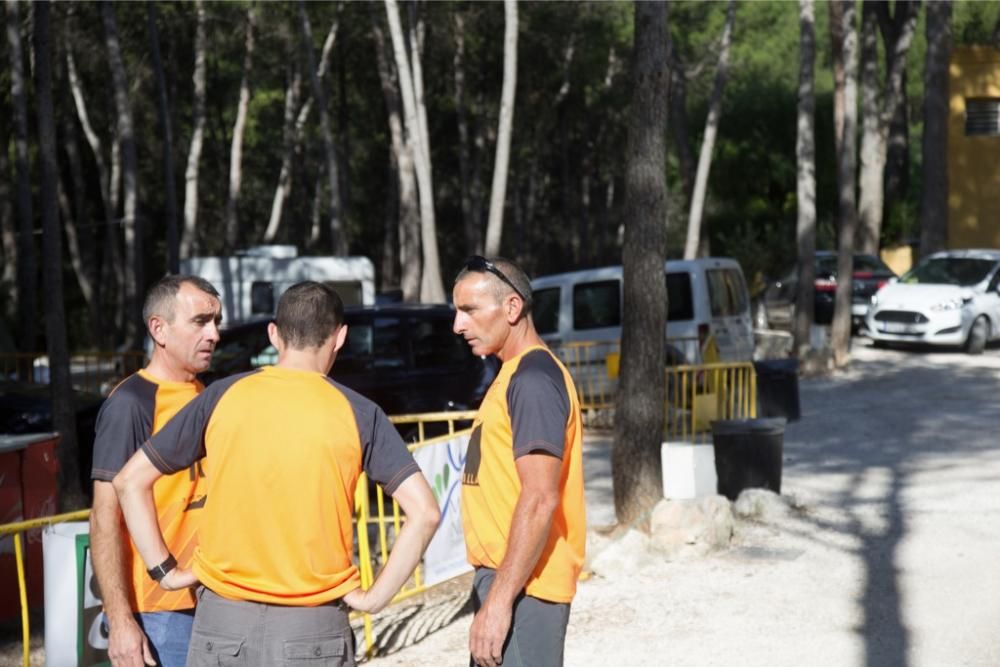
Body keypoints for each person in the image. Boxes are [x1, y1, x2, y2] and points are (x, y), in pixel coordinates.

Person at [113, 281, 440, 666]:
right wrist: (374, 598)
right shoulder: (358, 412)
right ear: (340, 338)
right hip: (314, 628)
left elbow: (129, 481)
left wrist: (165, 571)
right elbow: (426, 513)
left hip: (222, 624)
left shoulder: (222, 396)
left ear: (273, 333)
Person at [452, 256, 587, 667]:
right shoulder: (512, 375)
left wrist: (499, 602)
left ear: (512, 308)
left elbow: (540, 498)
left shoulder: (532, 380)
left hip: (527, 587)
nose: (458, 325)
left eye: (469, 310)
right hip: (510, 581)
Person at [90, 275, 223, 667]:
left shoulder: (205, 393)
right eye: (200, 322)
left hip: (211, 598)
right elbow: (103, 518)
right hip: (158, 614)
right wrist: (120, 620)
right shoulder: (131, 402)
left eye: (216, 322)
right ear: (158, 329)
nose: (214, 334)